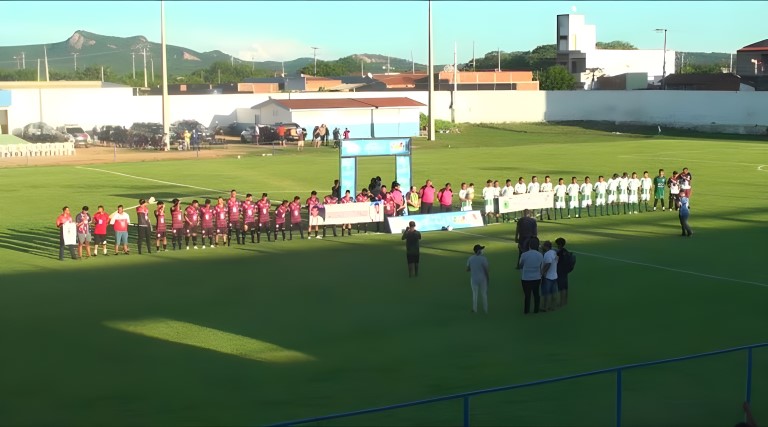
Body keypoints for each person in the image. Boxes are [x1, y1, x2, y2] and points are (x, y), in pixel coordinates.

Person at [518, 237, 543, 314]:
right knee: (536, 294)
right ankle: (536, 310)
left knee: (527, 295)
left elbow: (520, 265)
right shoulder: (540, 255)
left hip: (526, 278)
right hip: (537, 277)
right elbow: (541, 266)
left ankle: (526, 310)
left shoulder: (524, 255)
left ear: (529, 245)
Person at [466, 244, 490, 314]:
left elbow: (467, 269)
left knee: (474, 294)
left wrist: (473, 267)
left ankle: (474, 309)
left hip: (474, 279)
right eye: (481, 249)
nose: (482, 250)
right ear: (479, 251)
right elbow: (486, 270)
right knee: (484, 294)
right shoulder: (483, 259)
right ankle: (485, 309)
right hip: (483, 279)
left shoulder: (470, 258)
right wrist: (488, 279)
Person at [540, 240, 559, 312]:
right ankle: (553, 307)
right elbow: (557, 259)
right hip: (554, 275)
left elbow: (548, 264)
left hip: (548, 277)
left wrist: (542, 272)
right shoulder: (554, 252)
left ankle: (545, 307)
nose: (542, 247)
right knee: (553, 292)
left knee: (546, 293)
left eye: (543, 246)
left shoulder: (547, 254)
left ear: (546, 246)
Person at [555, 237, 572, 307]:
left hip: (560, 271)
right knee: (565, 287)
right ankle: (565, 301)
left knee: (561, 287)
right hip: (565, 271)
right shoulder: (566, 251)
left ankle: (561, 302)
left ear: (559, 245)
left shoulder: (560, 253)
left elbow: (556, 261)